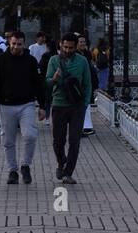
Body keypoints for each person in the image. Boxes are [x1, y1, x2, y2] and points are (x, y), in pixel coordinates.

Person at [0, 31, 45, 184]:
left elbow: (38, 84)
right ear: (9, 43)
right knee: (8, 139)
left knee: (30, 135)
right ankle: (12, 170)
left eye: (19, 44)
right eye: (13, 44)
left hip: (27, 104)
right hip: (6, 105)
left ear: (24, 44)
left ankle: (25, 165)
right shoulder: (0, 60)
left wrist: (43, 106)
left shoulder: (30, 61)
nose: (16, 47)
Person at [46, 31, 91, 184]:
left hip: (77, 106)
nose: (67, 50)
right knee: (58, 141)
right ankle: (61, 162)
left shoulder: (82, 61)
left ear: (76, 46)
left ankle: (68, 172)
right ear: (60, 44)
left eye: (71, 48)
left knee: (74, 140)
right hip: (59, 104)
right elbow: (47, 83)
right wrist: (54, 79)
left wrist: (85, 104)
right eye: (65, 47)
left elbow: (87, 84)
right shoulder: (54, 60)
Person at [76, 34, 99, 136]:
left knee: (87, 105)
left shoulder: (87, 53)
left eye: (84, 42)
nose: (82, 44)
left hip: (88, 83)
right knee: (82, 106)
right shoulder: (75, 55)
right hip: (80, 83)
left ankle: (86, 127)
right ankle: (82, 127)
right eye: (80, 42)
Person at [38, 39, 56, 123]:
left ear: (48, 47)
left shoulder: (45, 55)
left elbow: (40, 67)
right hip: (56, 80)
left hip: (47, 80)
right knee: (55, 100)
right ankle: (55, 117)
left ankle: (47, 118)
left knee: (47, 100)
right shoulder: (57, 56)